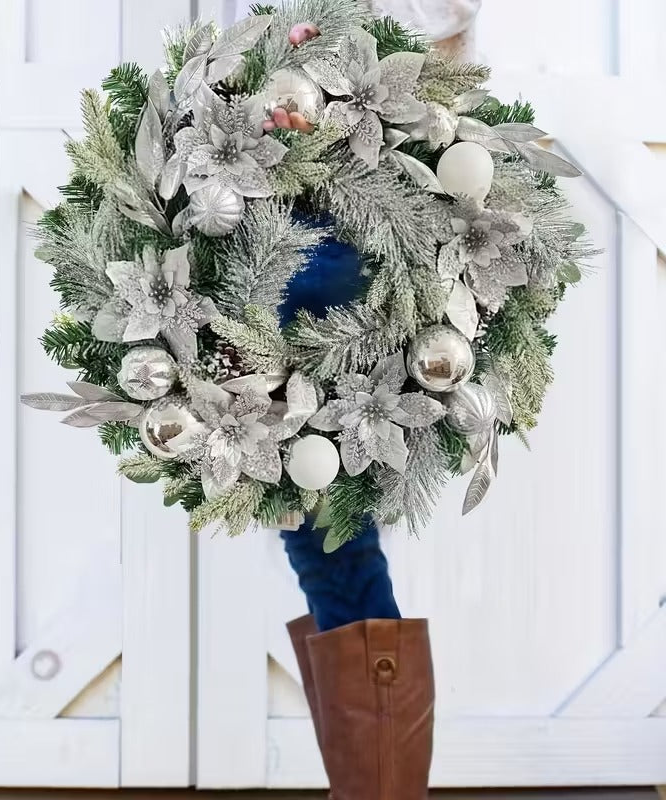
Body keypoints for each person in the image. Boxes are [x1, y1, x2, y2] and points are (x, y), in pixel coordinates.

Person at [225, 2, 481, 797]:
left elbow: (444, 53)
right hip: (276, 216)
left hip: (342, 227)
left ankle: (378, 788)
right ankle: (375, 786)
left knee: (328, 527)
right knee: (325, 534)